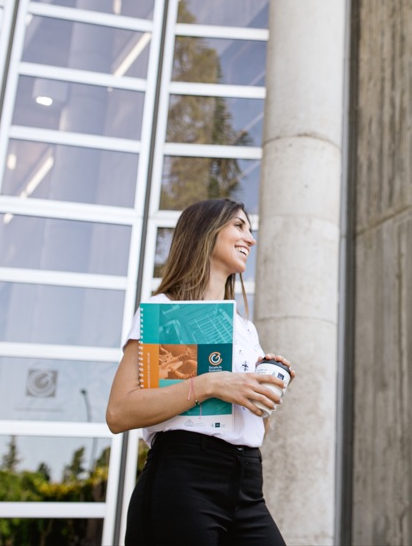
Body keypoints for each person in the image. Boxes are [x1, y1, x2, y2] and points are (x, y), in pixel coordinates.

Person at [106, 198, 296, 546]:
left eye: (250, 231)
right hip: (185, 479)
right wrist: (210, 383)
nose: (250, 240)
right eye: (239, 226)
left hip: (247, 480)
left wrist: (264, 391)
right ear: (206, 232)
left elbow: (253, 427)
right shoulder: (165, 312)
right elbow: (119, 413)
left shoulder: (245, 330)